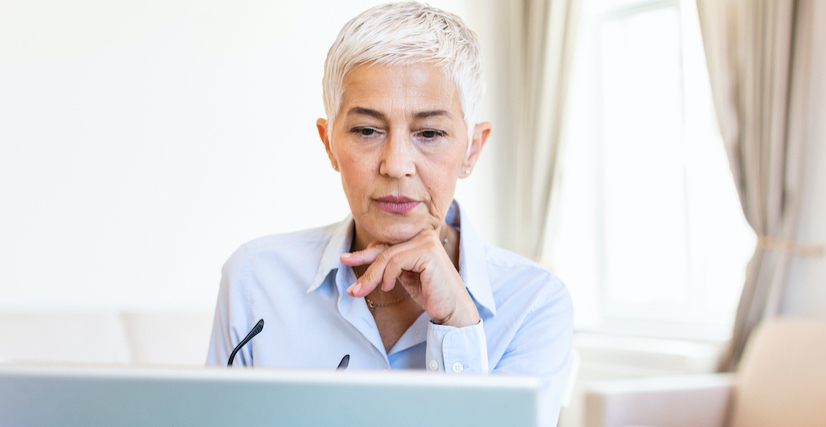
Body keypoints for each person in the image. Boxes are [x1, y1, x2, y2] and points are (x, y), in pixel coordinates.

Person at [206, 2, 574, 426]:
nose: (396, 164)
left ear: (472, 150)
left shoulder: (534, 304)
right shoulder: (254, 281)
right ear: (329, 145)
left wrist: (457, 325)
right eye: (367, 130)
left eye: (430, 133)